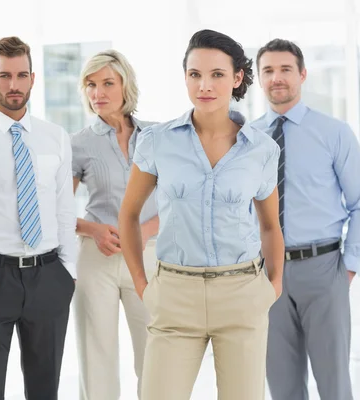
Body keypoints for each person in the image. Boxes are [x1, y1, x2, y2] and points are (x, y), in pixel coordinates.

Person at [118, 29, 284, 400]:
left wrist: (272, 287)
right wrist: (143, 286)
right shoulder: (157, 141)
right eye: (195, 74)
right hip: (174, 295)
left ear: (238, 77)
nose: (204, 85)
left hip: (242, 293)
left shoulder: (261, 150)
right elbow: (128, 215)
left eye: (217, 75)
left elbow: (271, 226)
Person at [252, 39, 360, 400]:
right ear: (258, 79)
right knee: (282, 385)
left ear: (302, 74)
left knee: (333, 382)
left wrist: (347, 268)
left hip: (323, 269)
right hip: (266, 272)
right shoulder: (247, 138)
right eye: (268, 70)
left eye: (285, 69)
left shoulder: (334, 132)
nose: (277, 78)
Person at [0, 36, 76, 400]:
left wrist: (68, 272)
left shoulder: (55, 137)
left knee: (46, 390)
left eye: (22, 75)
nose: (14, 85)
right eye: (5, 76)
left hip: (48, 275)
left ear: (32, 78)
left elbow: (64, 207)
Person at [71, 49, 158, 400]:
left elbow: (176, 199)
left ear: (126, 85)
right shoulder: (78, 143)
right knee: (97, 357)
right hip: (97, 258)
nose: (98, 93)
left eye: (108, 83)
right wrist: (92, 230)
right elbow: (57, 210)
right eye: (91, 84)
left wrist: (143, 232)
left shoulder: (156, 137)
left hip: (149, 256)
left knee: (155, 351)